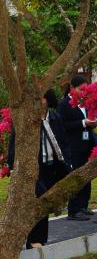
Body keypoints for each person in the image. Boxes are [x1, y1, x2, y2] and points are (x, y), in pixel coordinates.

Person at [7, 90, 70, 248]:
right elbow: (14, 143)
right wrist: (13, 167)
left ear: (48, 100)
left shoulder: (55, 117)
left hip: (54, 166)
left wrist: (68, 161)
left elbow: (63, 141)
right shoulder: (26, 119)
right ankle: (34, 240)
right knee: (39, 200)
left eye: (41, 98)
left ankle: (41, 239)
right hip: (34, 167)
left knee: (47, 203)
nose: (37, 101)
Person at [58, 75, 97, 221]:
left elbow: (89, 119)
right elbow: (63, 126)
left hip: (87, 144)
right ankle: (73, 210)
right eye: (81, 89)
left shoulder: (85, 102)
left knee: (87, 176)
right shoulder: (64, 104)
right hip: (73, 147)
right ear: (72, 88)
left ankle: (83, 205)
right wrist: (83, 123)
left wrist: (94, 122)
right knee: (76, 177)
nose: (83, 92)